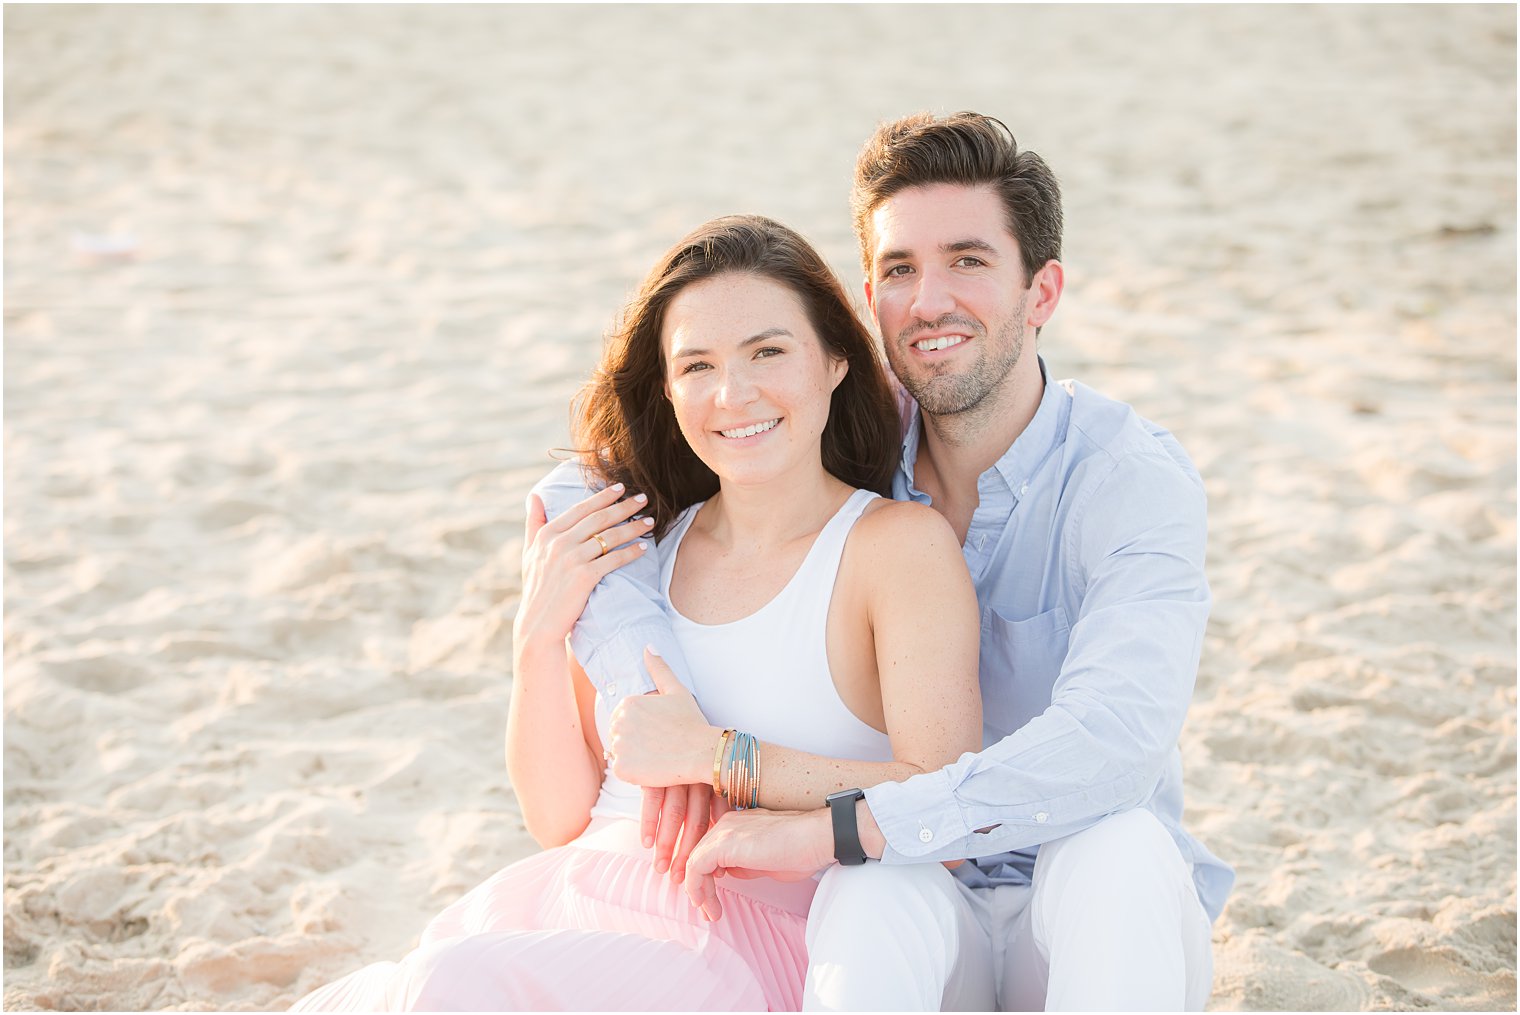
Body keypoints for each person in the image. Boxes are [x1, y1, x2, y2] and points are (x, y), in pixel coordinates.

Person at [533, 111, 1235, 1011]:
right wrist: (646, 692)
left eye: (969, 261)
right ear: (869, 295)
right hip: (921, 906)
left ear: (1043, 290)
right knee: (868, 881)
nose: (930, 301)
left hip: (1085, 908)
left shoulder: (1130, 482)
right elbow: (575, 487)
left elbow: (1112, 749)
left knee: (1120, 846)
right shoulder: (846, 434)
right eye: (901, 269)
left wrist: (788, 792)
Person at [289, 215, 983, 1011]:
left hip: (741, 936)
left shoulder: (892, 547)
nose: (734, 393)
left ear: (833, 361)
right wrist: (538, 636)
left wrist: (720, 756)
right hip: (577, 901)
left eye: (768, 351)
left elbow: (951, 802)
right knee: (428, 984)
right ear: (667, 387)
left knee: (453, 988)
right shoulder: (639, 547)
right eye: (697, 365)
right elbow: (559, 816)